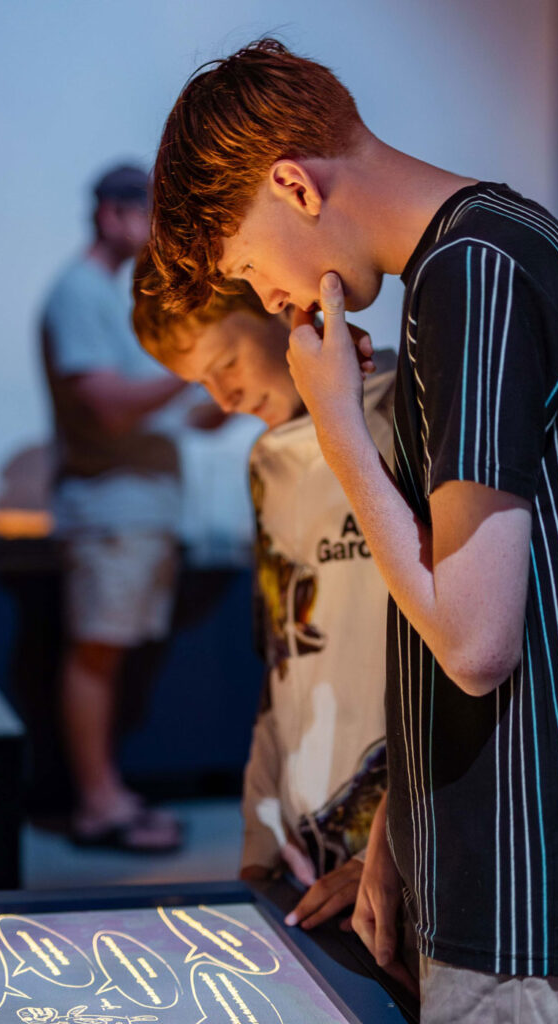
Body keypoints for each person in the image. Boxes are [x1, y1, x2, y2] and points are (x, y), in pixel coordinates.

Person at [148, 39, 558, 1022]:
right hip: (516, 850)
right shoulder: (494, 246)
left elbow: (475, 643)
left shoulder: (469, 276)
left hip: (527, 869)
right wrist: (399, 836)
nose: (273, 300)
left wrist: (341, 425)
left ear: (294, 186)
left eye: (255, 267)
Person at [132, 253, 395, 933]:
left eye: (224, 365)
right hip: (308, 837)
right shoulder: (268, 463)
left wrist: (409, 845)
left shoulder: (407, 417)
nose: (222, 399)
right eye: (201, 384)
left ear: (274, 304)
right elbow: (280, 660)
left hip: (410, 837)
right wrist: (259, 831)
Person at [41, 164, 186, 851]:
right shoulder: (78, 293)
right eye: (149, 213)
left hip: (136, 510)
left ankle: (109, 792)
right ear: (112, 214)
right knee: (95, 654)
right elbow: (107, 404)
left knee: (110, 654)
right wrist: (195, 362)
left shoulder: (112, 293)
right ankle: (98, 804)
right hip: (109, 509)